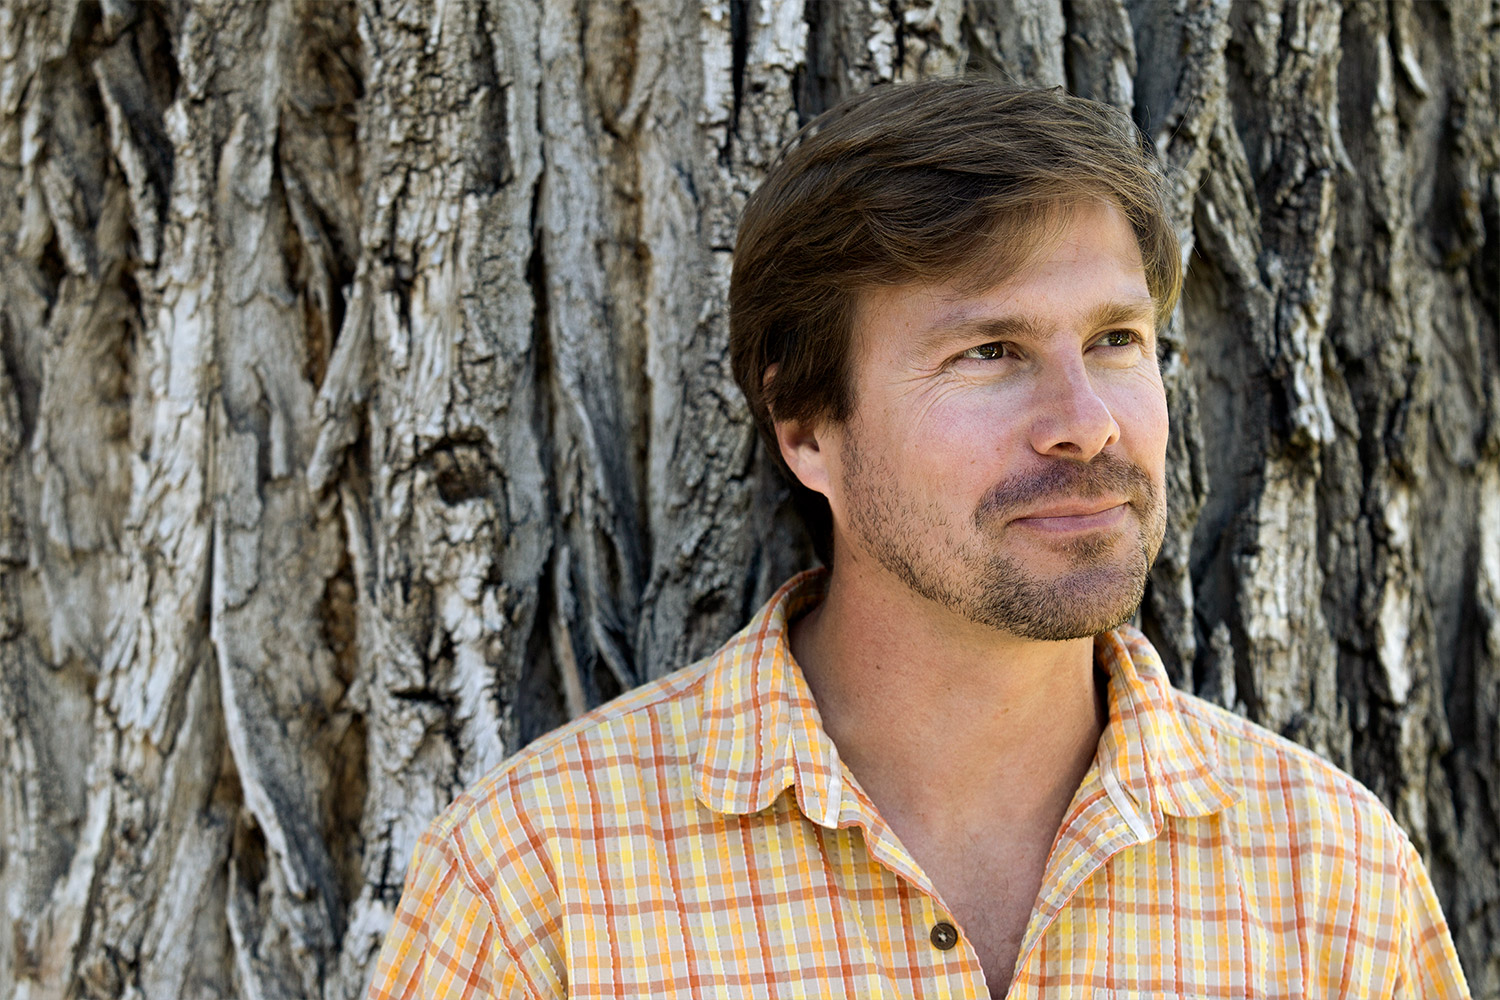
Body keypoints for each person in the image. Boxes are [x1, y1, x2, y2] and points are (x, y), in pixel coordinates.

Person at [366, 78, 1471, 999]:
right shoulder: (542, 882)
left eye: (1116, 339)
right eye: (989, 352)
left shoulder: (1333, 881)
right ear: (807, 428)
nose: (1087, 421)